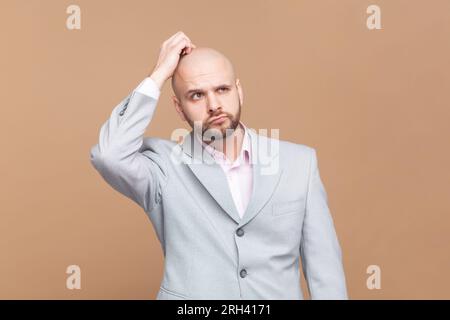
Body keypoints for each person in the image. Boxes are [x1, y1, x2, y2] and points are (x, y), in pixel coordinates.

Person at [90, 31, 348, 299]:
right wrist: (158, 73)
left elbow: (325, 271)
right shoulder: (163, 167)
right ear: (179, 108)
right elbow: (109, 155)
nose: (214, 105)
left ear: (239, 91)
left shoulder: (300, 164)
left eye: (222, 90)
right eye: (196, 95)